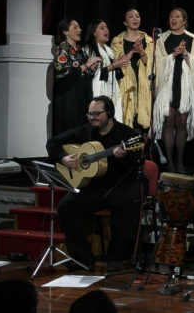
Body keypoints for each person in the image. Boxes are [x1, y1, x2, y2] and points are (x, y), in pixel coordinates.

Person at [46, 96, 140, 272]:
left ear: (109, 113)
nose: (92, 117)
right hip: (92, 186)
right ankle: (84, 258)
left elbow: (135, 166)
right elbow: (52, 142)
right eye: (90, 113)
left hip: (118, 185)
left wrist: (124, 157)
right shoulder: (86, 130)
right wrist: (62, 158)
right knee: (66, 206)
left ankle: (115, 257)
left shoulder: (126, 135)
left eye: (96, 114)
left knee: (125, 206)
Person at [152, 8, 194, 174]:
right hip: (167, 85)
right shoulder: (162, 38)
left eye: (177, 16)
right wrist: (172, 56)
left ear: (184, 21)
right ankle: (169, 162)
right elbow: (157, 62)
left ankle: (180, 160)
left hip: (184, 86)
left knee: (181, 123)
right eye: (171, 16)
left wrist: (185, 53)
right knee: (168, 121)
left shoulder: (192, 38)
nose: (173, 19)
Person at [50, 18, 98, 136]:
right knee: (70, 132)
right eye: (75, 27)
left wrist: (91, 68)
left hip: (82, 98)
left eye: (79, 27)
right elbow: (62, 73)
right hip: (69, 99)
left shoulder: (80, 50)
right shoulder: (63, 50)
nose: (79, 30)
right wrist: (85, 66)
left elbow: (85, 72)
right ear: (65, 32)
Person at [110, 8, 154, 133]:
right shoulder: (117, 40)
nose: (135, 19)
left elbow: (149, 64)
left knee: (143, 124)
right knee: (127, 121)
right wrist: (133, 51)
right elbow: (118, 63)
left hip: (144, 85)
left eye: (137, 16)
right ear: (125, 22)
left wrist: (141, 52)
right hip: (125, 84)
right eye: (131, 16)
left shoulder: (148, 39)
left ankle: (143, 149)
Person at [83, 20, 127, 123]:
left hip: (111, 90)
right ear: (94, 33)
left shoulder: (109, 50)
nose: (106, 30)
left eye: (107, 28)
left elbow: (116, 74)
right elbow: (93, 73)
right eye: (102, 28)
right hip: (97, 89)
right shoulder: (89, 49)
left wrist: (117, 64)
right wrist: (113, 65)